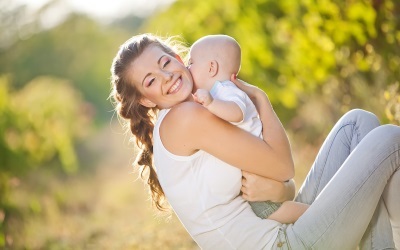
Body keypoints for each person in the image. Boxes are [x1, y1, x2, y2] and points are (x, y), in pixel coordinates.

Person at [110, 33, 400, 249]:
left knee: (356, 125)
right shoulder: (184, 118)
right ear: (146, 100)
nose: (166, 77)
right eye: (150, 81)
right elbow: (283, 166)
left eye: (164, 63)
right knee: (390, 138)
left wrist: (281, 189)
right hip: (281, 245)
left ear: (177, 58)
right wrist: (262, 100)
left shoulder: (201, 108)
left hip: (283, 227)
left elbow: (279, 186)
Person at [188, 34, 308, 223]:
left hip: (261, 167)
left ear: (211, 67)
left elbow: (237, 112)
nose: (188, 68)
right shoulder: (219, 92)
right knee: (270, 209)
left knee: (269, 210)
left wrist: (211, 103)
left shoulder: (225, 90)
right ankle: (315, 214)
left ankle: (315, 214)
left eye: (191, 62)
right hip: (260, 162)